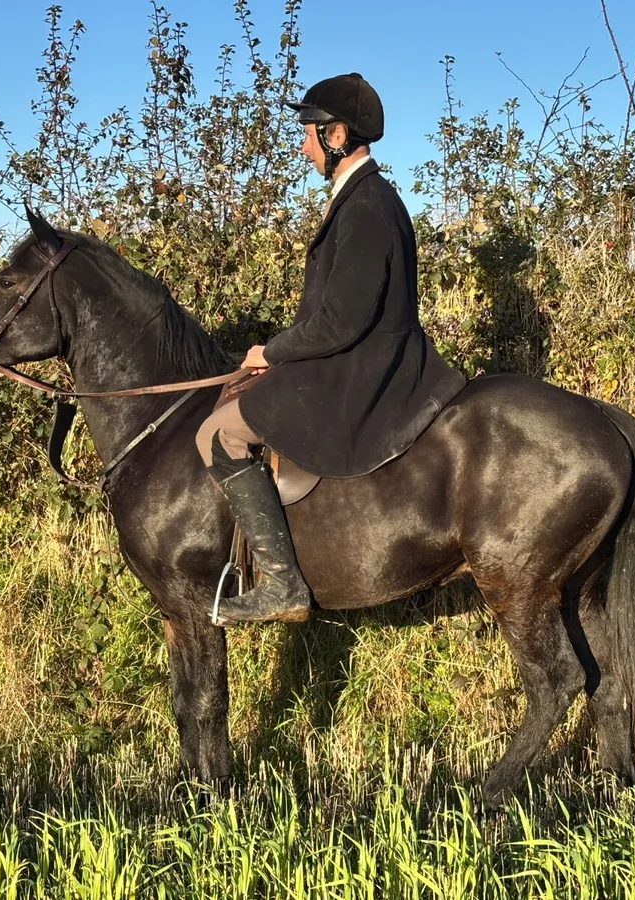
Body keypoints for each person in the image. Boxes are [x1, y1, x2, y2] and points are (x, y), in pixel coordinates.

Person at [195, 72, 466, 626]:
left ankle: (281, 584)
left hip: (362, 367)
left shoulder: (367, 205)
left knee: (218, 432)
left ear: (336, 134)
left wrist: (271, 352)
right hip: (354, 354)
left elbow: (342, 320)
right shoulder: (363, 198)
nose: (302, 144)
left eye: (308, 133)